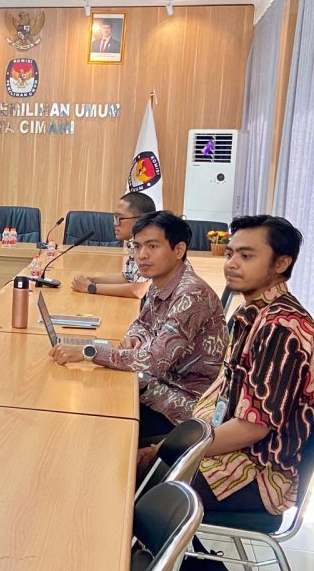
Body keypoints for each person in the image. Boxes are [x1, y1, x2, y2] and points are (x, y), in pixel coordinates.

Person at [141, 216, 313, 570]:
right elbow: (223, 403)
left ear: (281, 263)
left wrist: (164, 451)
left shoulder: (281, 328)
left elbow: (251, 428)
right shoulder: (254, 314)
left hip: (256, 474)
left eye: (246, 256)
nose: (232, 263)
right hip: (230, 452)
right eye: (230, 253)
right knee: (132, 464)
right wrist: (167, 449)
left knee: (132, 485)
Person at [51, 211, 227, 442]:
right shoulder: (161, 281)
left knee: (92, 421)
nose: (141, 255)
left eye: (152, 246)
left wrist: (88, 352)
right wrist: (136, 338)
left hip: (180, 406)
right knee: (90, 396)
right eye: (137, 246)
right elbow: (141, 323)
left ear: (178, 250)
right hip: (156, 385)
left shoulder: (191, 295)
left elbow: (154, 361)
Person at [71, 192, 155, 299]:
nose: (115, 223)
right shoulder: (135, 242)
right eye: (115, 218)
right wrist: (92, 280)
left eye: (120, 218)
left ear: (140, 220)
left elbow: (138, 290)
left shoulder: (151, 245)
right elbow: (129, 277)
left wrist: (90, 287)